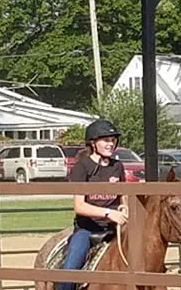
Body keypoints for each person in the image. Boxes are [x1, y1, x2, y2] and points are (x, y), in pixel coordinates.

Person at [55, 119, 130, 290]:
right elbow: (79, 206)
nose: (110, 144)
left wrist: (124, 207)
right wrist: (108, 213)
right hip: (87, 230)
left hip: (115, 228)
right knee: (70, 271)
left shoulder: (117, 166)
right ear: (93, 143)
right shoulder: (82, 167)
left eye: (113, 140)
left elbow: (123, 196)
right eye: (106, 140)